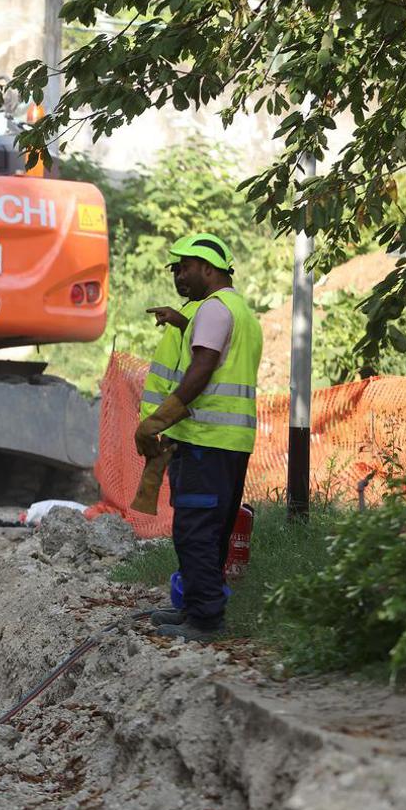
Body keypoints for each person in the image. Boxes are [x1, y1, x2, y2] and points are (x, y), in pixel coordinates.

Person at [135, 233, 263, 643]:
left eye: (184, 267)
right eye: (174, 269)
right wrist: (182, 320)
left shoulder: (212, 310)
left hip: (205, 440)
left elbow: (204, 364)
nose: (178, 276)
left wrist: (160, 418)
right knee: (213, 529)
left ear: (208, 268)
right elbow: (217, 351)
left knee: (196, 530)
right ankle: (195, 606)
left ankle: (205, 619)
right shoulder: (236, 310)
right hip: (230, 442)